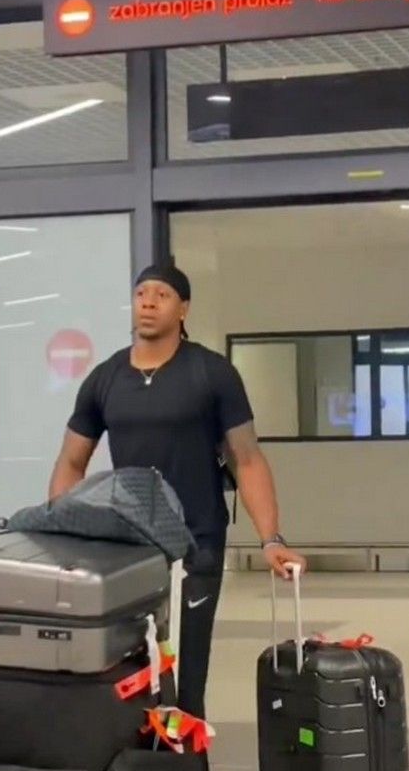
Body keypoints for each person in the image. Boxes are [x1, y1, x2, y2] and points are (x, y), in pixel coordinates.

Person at [48, 262, 306, 720]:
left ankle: (189, 764)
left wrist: (271, 539)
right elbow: (71, 461)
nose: (148, 302)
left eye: (162, 295)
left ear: (183, 308)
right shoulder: (105, 378)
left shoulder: (211, 373)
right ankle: (141, 762)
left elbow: (247, 458)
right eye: (141, 293)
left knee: (185, 680)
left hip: (195, 546)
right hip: (129, 549)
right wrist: (59, 533)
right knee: (130, 676)